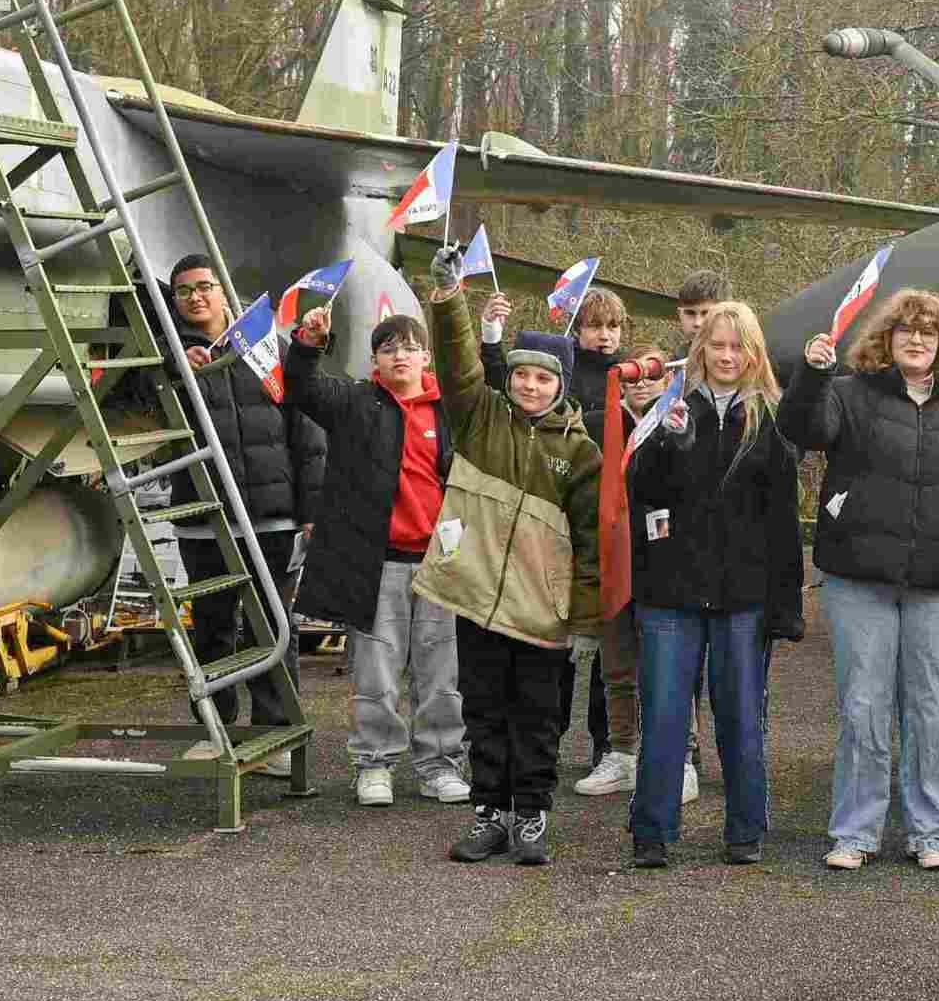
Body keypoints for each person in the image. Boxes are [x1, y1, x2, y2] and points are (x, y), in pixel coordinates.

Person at [792, 289, 939, 872]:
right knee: (863, 707)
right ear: (885, 341)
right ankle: (855, 832)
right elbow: (804, 428)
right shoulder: (847, 394)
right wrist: (812, 375)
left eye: (928, 333)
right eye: (905, 332)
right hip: (858, 579)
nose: (916, 341)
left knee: (930, 709)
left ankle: (929, 831)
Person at [417, 284, 607, 865]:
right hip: (475, 598)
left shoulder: (581, 454)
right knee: (483, 709)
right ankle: (489, 813)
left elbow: (593, 542)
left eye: (544, 378)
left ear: (562, 386)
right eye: (522, 374)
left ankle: (531, 814)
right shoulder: (481, 420)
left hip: (541, 611)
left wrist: (586, 618)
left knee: (538, 715)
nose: (529, 385)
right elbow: (455, 364)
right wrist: (449, 302)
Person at [623, 299, 804, 869]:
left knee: (741, 719)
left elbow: (784, 525)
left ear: (754, 354)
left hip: (743, 599)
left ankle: (746, 829)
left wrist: (785, 605)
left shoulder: (771, 420)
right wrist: (664, 446)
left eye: (737, 347)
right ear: (700, 351)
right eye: (717, 346)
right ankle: (652, 831)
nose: (726, 357)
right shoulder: (671, 408)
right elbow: (639, 491)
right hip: (670, 595)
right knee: (664, 718)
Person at [284, 302, 467, 807]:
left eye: (410, 347)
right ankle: (375, 763)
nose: (400, 356)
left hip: (441, 563)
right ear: (375, 361)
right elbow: (302, 388)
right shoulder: (356, 402)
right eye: (389, 348)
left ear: (428, 358)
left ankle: (440, 764)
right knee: (375, 676)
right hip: (375, 563)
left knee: (442, 676)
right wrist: (308, 343)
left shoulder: (453, 409)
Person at [163, 253, 323, 766]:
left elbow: (308, 433)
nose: (196, 297)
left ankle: (274, 730)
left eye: (204, 286)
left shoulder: (266, 350)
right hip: (204, 518)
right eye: (184, 290)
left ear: (223, 291)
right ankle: (217, 728)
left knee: (272, 625)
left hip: (269, 516)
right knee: (211, 625)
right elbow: (131, 403)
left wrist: (311, 508)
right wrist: (172, 370)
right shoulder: (166, 359)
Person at [512, 285, 664, 805]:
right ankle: (545, 744)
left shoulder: (635, 376)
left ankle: (610, 745)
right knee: (561, 650)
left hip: (618, 528)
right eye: (595, 326)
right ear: (576, 329)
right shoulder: (564, 377)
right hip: (569, 527)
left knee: (611, 654)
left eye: (614, 326)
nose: (605, 335)